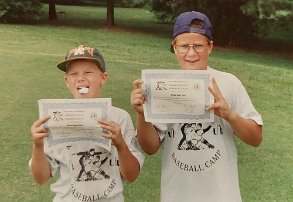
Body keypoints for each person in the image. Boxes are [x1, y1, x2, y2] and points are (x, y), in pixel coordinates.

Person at [131, 11, 263, 202]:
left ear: (210, 47)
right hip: (176, 194)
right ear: (174, 47)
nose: (191, 53)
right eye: (184, 46)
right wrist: (142, 114)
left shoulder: (228, 83)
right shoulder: (162, 86)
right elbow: (150, 147)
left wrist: (229, 115)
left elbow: (256, 138)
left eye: (198, 46)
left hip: (223, 195)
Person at [30, 45, 144, 202]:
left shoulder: (119, 117)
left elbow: (131, 176)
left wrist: (120, 145)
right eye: (73, 74)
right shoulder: (55, 118)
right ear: (67, 81)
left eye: (88, 72)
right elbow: (40, 178)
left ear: (103, 78)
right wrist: (37, 145)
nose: (81, 78)